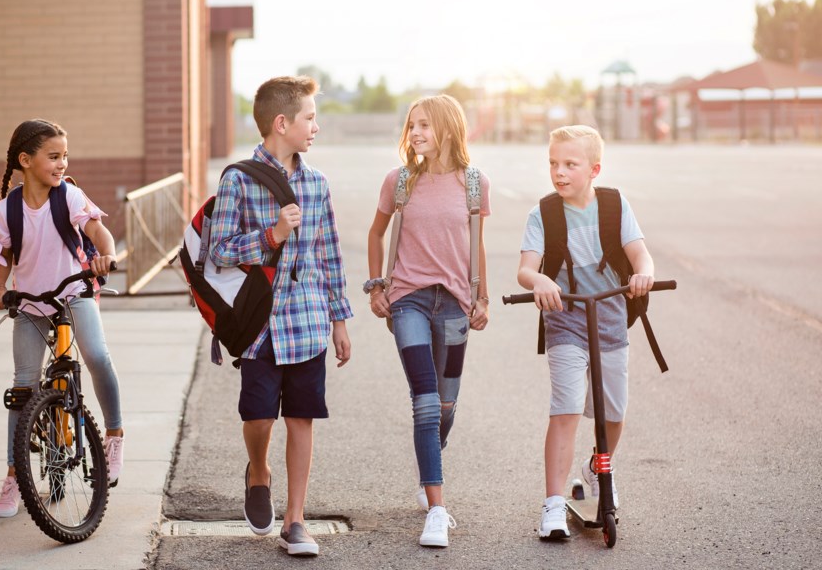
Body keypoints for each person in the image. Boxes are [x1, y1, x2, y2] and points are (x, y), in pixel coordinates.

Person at [209, 75, 353, 557]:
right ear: (281, 123)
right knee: (258, 416)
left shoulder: (317, 184)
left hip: (308, 319)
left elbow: (330, 253)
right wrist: (270, 236)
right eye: (310, 118)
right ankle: (259, 471)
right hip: (261, 325)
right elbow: (219, 250)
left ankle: (296, 519)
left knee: (301, 417)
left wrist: (339, 319)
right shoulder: (239, 179)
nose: (316, 126)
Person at [516, 125, 655, 539]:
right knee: (566, 409)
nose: (559, 172)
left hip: (610, 317)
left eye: (570, 165)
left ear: (593, 169)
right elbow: (526, 267)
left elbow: (640, 254)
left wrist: (645, 275)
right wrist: (538, 280)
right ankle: (554, 504)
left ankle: (597, 465)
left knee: (614, 415)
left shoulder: (613, 206)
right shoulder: (542, 213)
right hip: (565, 318)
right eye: (553, 164)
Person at [366, 95, 491, 548]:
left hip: (456, 304)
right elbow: (377, 233)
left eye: (425, 125)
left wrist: (483, 297)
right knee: (424, 399)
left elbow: (476, 243)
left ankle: (427, 469)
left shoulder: (474, 184)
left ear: (448, 130)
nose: (416, 132)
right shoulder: (399, 181)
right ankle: (437, 509)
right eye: (412, 125)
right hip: (409, 302)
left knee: (446, 404)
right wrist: (377, 286)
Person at [0, 119, 123, 518]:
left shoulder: (70, 197)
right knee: (23, 388)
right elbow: (2, 257)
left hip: (75, 292)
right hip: (30, 303)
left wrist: (106, 258)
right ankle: (14, 476)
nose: (62, 163)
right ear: (25, 161)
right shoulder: (6, 210)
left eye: (65, 155)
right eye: (53, 156)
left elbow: (100, 234)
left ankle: (114, 435)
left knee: (96, 356)